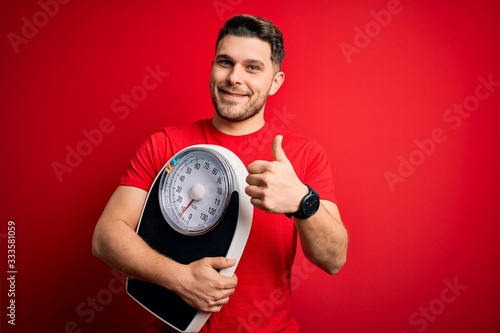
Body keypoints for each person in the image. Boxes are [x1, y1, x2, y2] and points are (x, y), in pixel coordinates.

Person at [92, 14, 348, 333]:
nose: (234, 78)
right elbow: (105, 237)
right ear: (213, 66)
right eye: (225, 62)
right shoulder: (165, 144)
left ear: (276, 81)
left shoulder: (303, 155)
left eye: (252, 67)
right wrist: (178, 277)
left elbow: (333, 259)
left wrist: (302, 201)